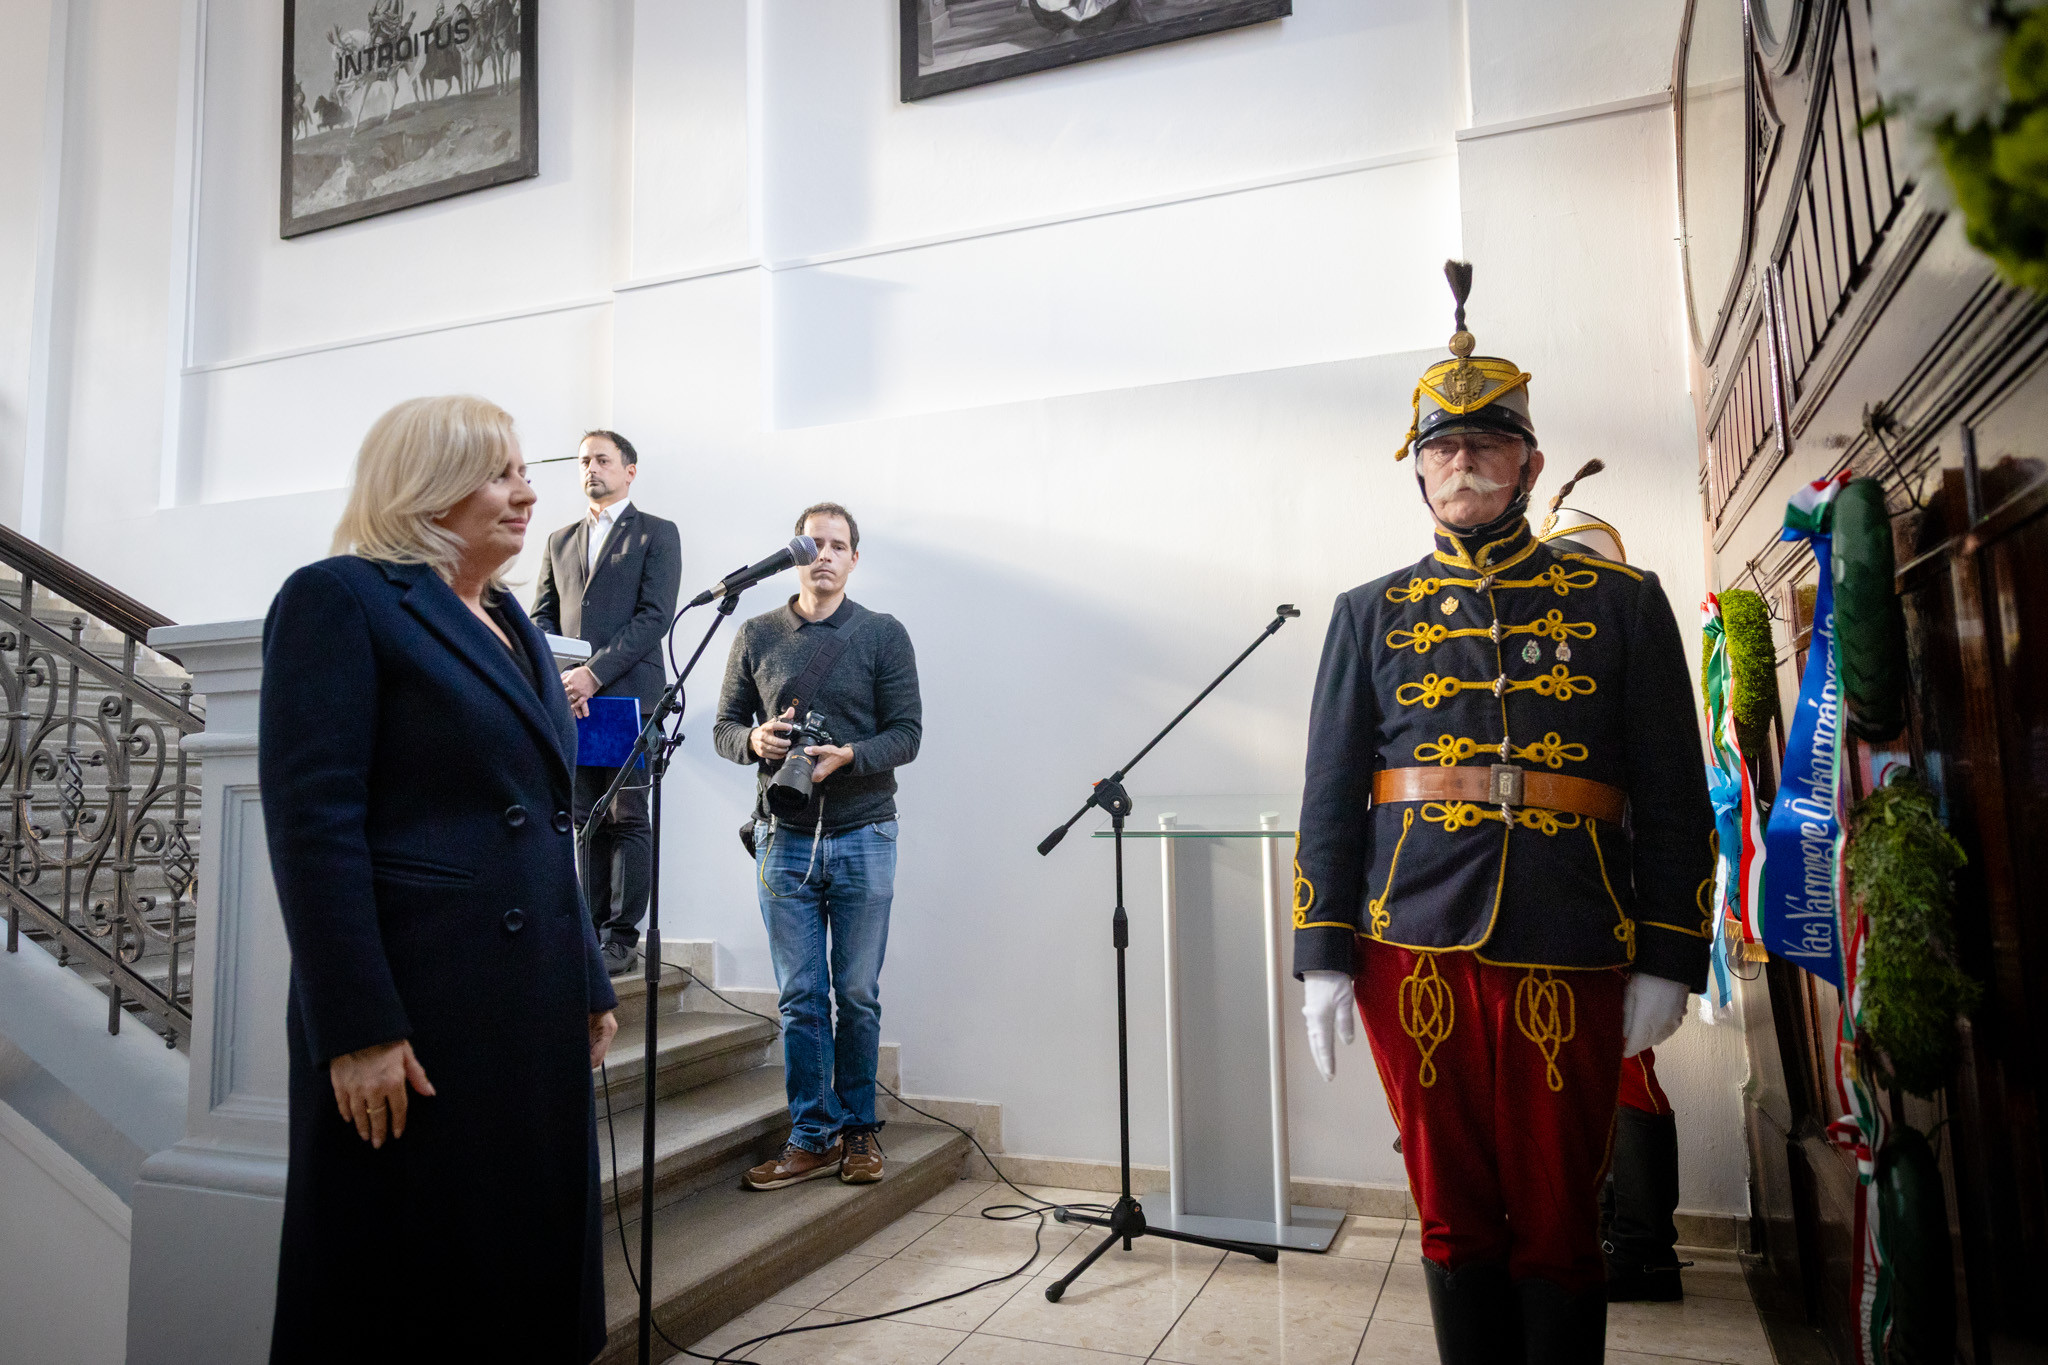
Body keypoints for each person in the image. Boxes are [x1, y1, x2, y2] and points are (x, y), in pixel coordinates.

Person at [1292, 263, 1712, 1363]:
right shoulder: (1366, 612)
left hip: (1572, 936)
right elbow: (1329, 796)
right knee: (1450, 1210)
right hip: (1410, 946)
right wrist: (1321, 953)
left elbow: (1674, 793)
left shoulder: (1623, 603)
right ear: (1417, 468)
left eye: (1484, 443)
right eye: (1440, 447)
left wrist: (1671, 953)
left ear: (1527, 459)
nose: (1460, 462)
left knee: (1562, 1215)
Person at [260, 395, 619, 1363]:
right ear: (429, 484)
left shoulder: (511, 620)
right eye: (501, 473)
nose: (528, 494)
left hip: (527, 998)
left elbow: (547, 823)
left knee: (521, 1272)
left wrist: (585, 975)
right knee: (409, 1286)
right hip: (420, 1007)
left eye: (524, 473)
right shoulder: (341, 597)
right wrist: (358, 1026)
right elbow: (314, 827)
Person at [713, 502, 922, 1189]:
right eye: (813, 544)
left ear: (854, 559)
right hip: (784, 837)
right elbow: (723, 728)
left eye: (837, 545)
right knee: (802, 997)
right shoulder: (755, 633)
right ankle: (811, 1134)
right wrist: (754, 739)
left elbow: (908, 734)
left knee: (856, 993)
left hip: (866, 831)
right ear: (796, 554)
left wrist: (850, 755)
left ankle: (858, 1130)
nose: (824, 555)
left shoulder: (883, 634)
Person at [531, 430, 682, 976]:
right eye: (583, 461)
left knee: (626, 814)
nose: (591, 468)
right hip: (570, 699)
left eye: (601, 459)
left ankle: (621, 936)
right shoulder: (559, 539)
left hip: (626, 696)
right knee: (583, 816)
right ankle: (590, 930)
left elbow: (654, 617)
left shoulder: (657, 533)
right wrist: (564, 679)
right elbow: (541, 617)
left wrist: (593, 674)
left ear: (629, 470)